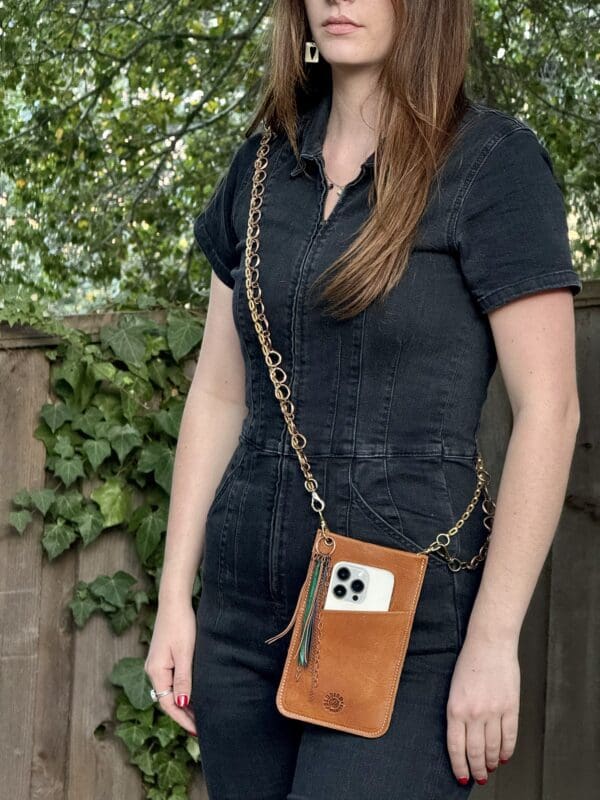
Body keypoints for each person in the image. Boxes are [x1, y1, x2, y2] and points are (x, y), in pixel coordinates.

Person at [144, 1, 582, 797]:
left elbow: (550, 412)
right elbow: (217, 394)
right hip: (243, 612)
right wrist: (177, 597)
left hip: (407, 613)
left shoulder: (493, 164)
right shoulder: (260, 166)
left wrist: (493, 636)